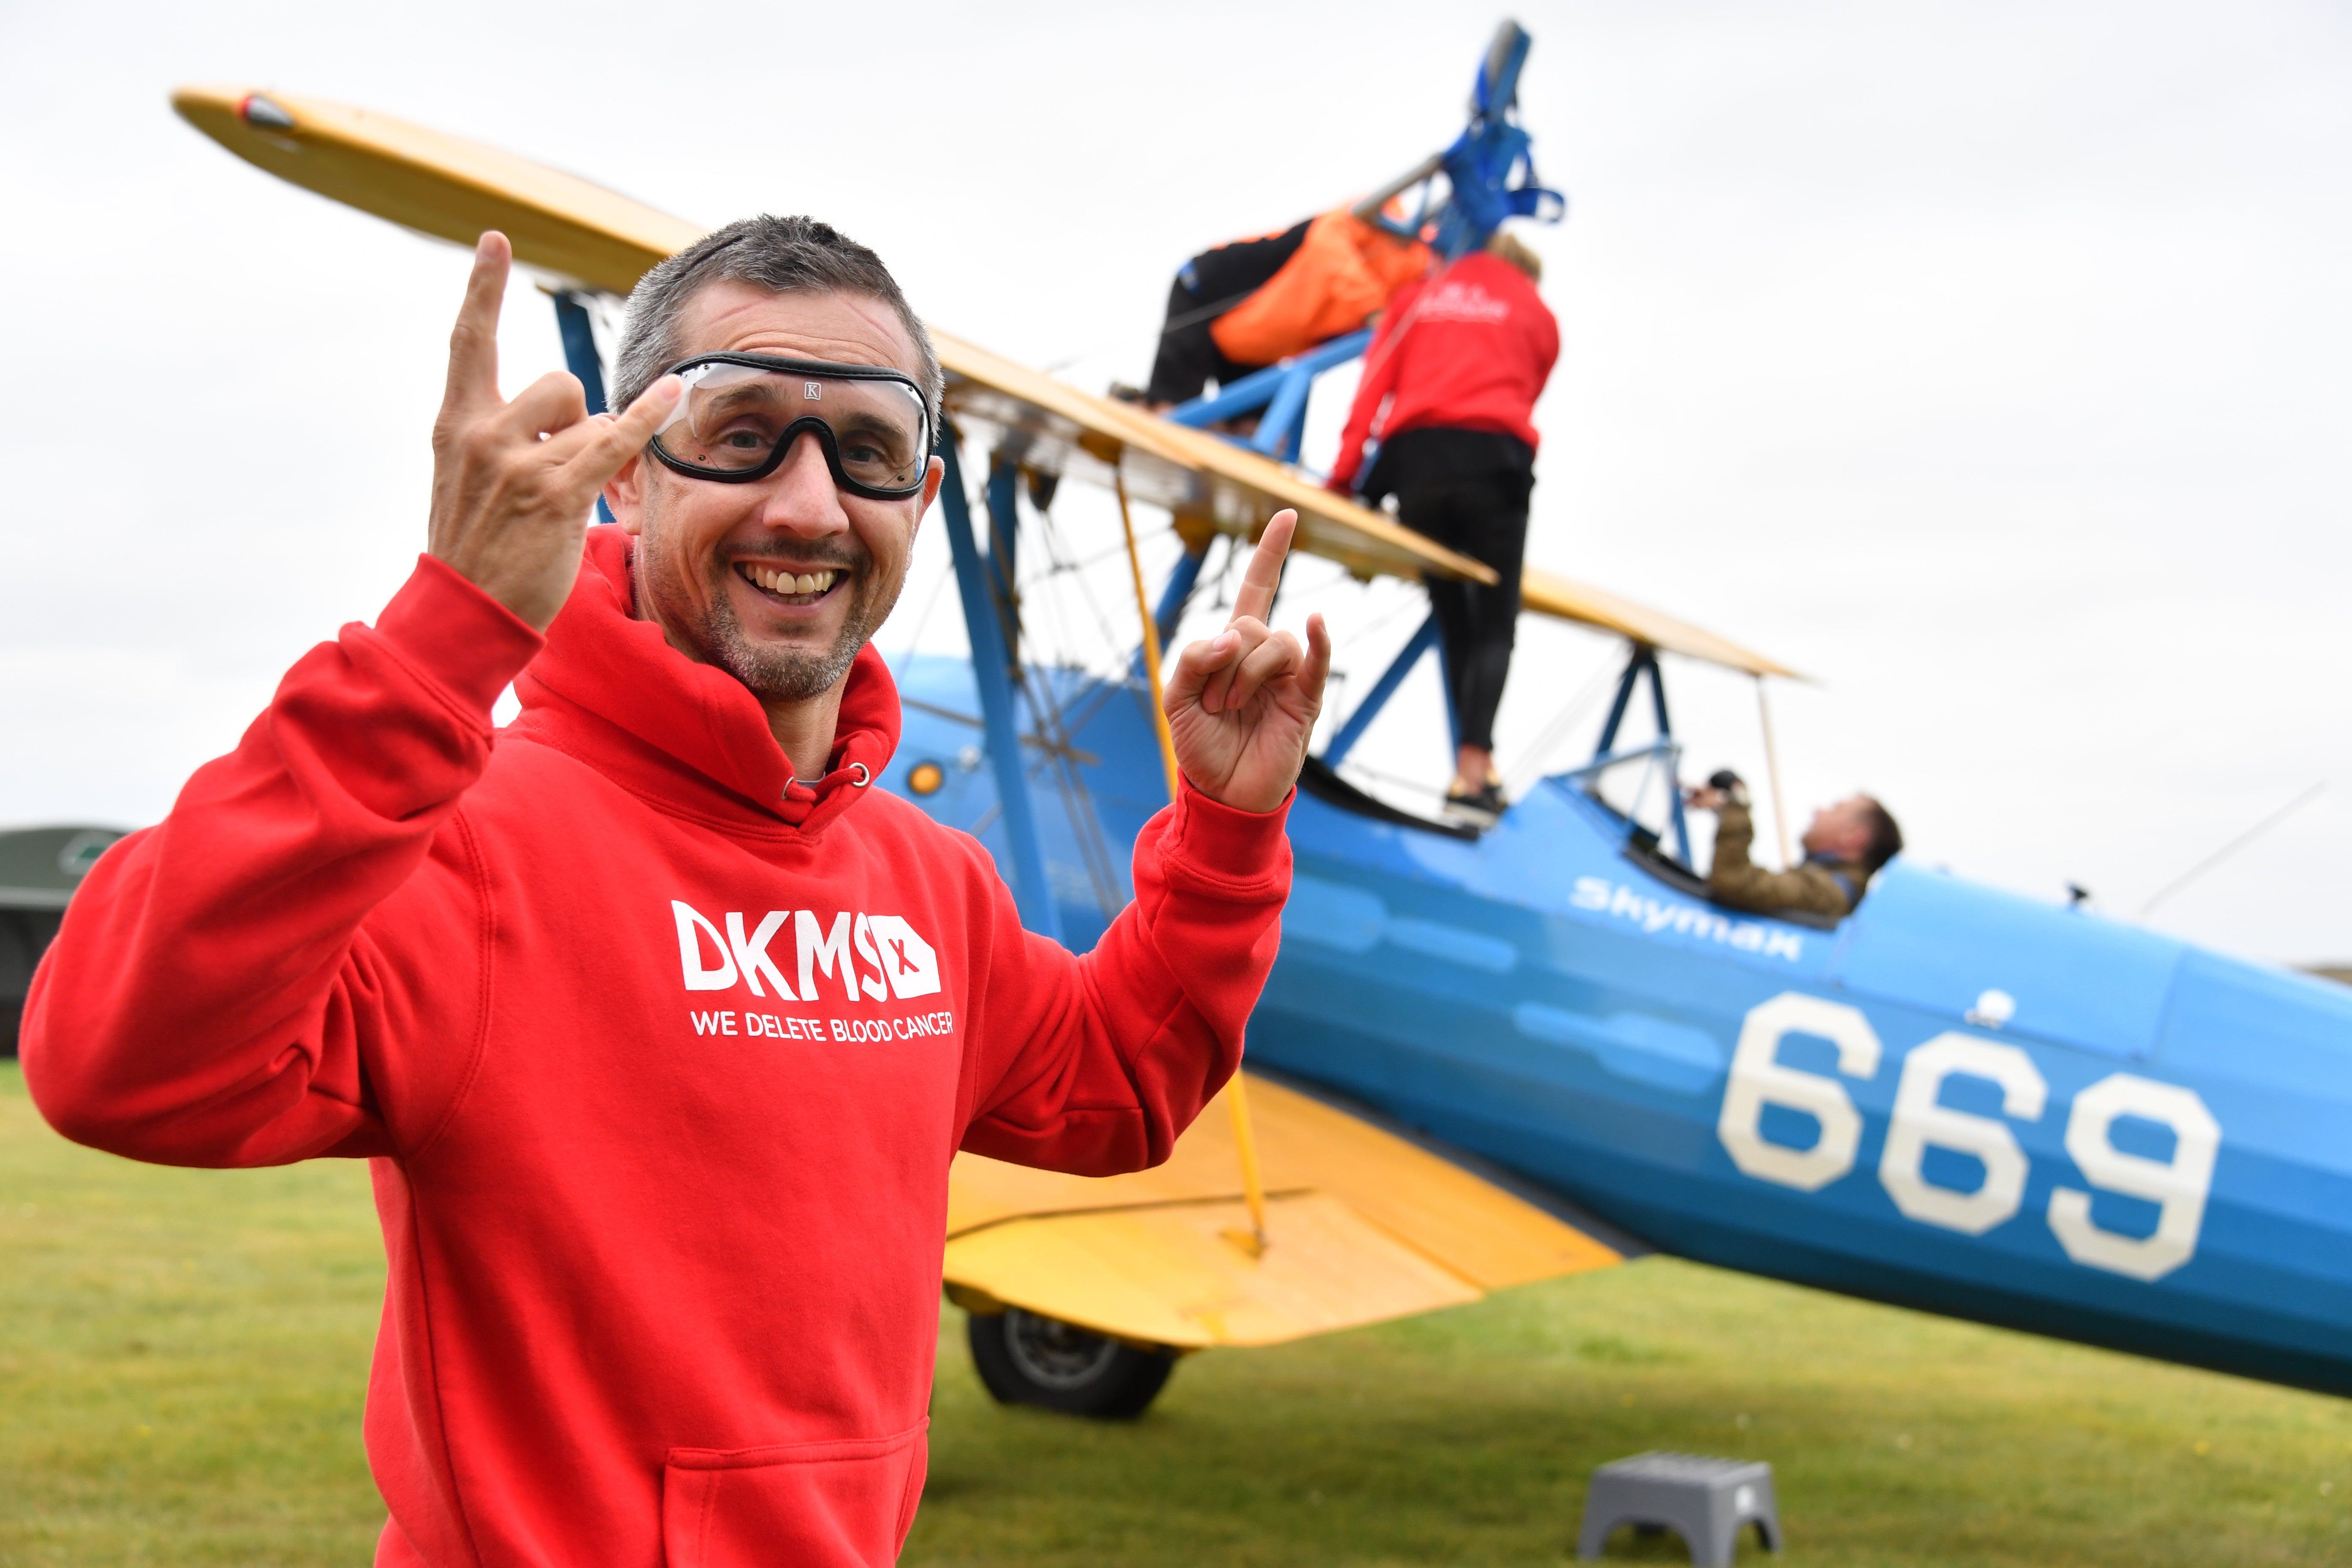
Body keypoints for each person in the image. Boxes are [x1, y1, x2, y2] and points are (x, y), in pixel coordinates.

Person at [22, 217, 1331, 1568]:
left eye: (868, 451)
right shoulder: (469, 848)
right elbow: (116, 1062)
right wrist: (439, 639)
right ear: (626, 477)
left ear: (919, 504)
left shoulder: (928, 884)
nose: (807, 507)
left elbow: (1122, 1081)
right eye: (739, 429)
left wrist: (1227, 824)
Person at [1327, 228, 1560, 825]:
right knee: (1495, 621)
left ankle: (1474, 770)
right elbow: (1527, 392)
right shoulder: (1538, 314)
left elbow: (1372, 388)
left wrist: (1346, 481)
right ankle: (1472, 774)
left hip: (1417, 464)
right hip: (1494, 463)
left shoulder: (1417, 297)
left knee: (1455, 613)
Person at [1138, 207, 1431, 411]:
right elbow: (1328, 233)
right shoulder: (1385, 217)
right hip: (1209, 293)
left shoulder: (1420, 293)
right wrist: (1374, 310)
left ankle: (1146, 403)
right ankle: (1145, 405)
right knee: (1169, 410)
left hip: (1259, 348)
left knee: (1250, 438)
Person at [1684, 770, 1903, 918]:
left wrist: (1738, 804)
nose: (1819, 811)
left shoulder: (1829, 893)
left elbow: (1734, 882)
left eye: (1836, 808)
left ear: (1853, 836)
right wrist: (1725, 807)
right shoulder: (1828, 885)